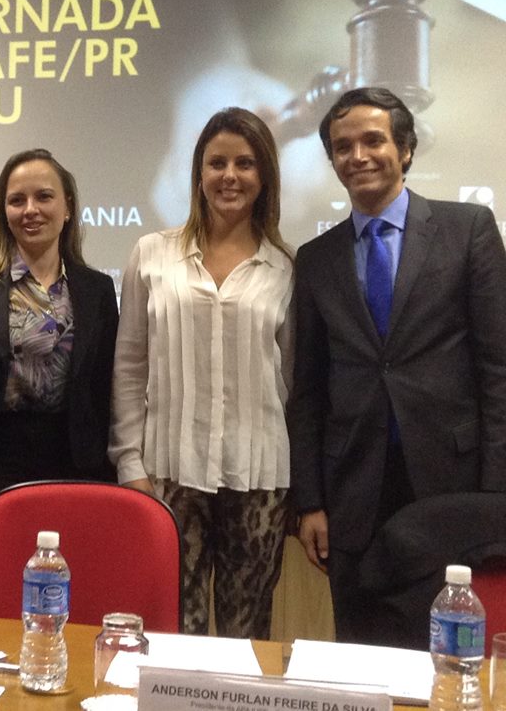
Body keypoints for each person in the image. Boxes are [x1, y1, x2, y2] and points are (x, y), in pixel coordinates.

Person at [289, 87, 506, 645]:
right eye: (342, 147)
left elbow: (498, 370)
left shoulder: (469, 231)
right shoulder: (317, 259)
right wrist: (309, 501)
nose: (357, 156)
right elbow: (308, 391)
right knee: (360, 656)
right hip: (352, 496)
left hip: (451, 489)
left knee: (451, 654)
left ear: (405, 150)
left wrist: (496, 493)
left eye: (372, 140)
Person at [110, 108, 294, 638]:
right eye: (216, 163)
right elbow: (128, 367)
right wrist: (129, 464)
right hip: (169, 472)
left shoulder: (286, 267)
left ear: (264, 178)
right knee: (171, 635)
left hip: (259, 476)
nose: (229, 176)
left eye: (245, 163)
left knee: (246, 637)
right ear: (198, 173)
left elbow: (294, 383)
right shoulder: (152, 254)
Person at [0, 149, 118, 580]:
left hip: (77, 472)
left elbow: (108, 390)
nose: (30, 210)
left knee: (72, 599)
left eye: (44, 197)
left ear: (67, 208)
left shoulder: (97, 289)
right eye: (17, 200)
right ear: (3, 210)